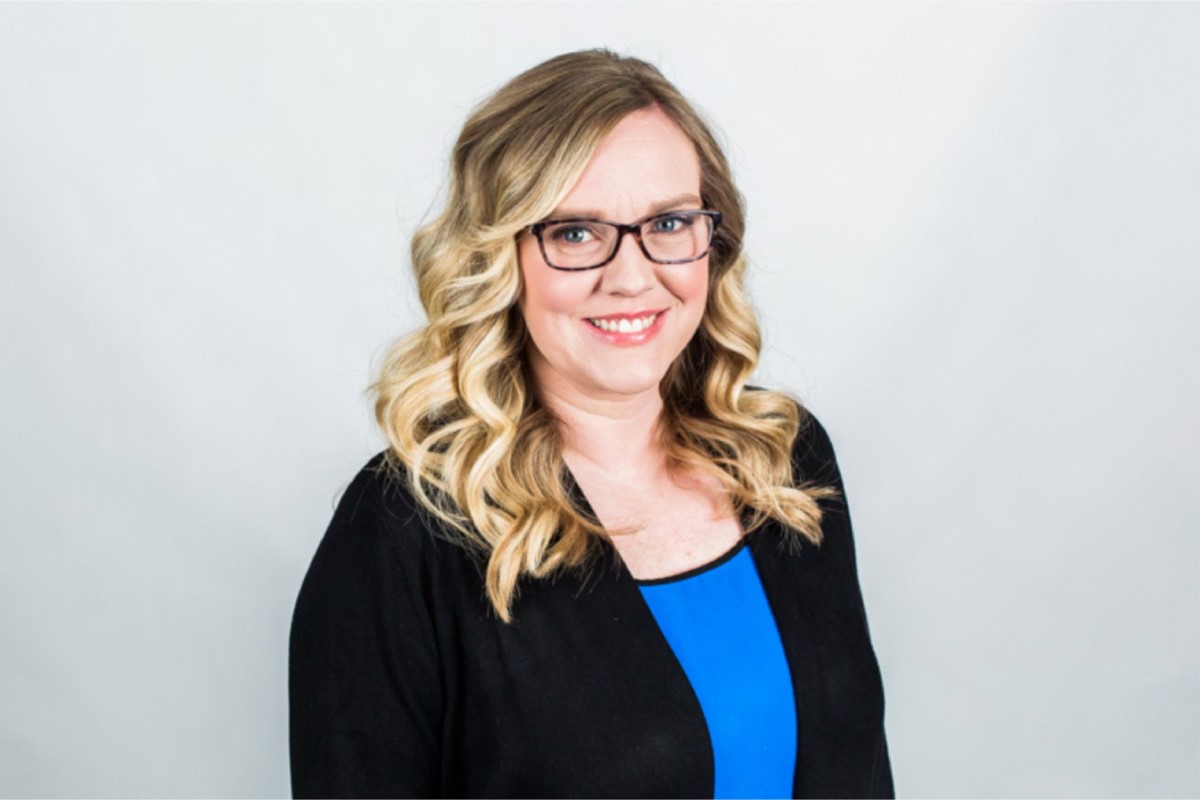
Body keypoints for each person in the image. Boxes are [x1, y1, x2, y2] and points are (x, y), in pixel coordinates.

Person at [289, 49, 892, 799]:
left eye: (669, 222)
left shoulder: (783, 459)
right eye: (576, 233)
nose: (632, 277)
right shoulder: (404, 533)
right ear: (499, 255)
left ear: (713, 241)